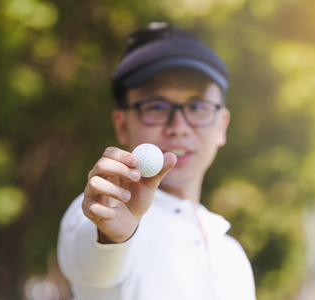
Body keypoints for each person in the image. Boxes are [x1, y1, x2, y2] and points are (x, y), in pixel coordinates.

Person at [57, 22, 256, 300]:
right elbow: (93, 260)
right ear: (122, 124)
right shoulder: (101, 210)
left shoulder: (232, 255)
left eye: (198, 107)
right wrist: (112, 237)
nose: (179, 126)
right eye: (157, 107)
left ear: (221, 125)